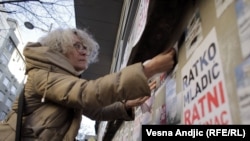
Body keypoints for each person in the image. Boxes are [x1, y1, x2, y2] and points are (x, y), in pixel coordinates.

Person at [0, 28, 176, 140]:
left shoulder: (63, 79)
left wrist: (127, 105)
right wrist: (147, 69)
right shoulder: (43, 75)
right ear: (60, 48)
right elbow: (87, 93)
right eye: (78, 46)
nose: (84, 51)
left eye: (86, 47)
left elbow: (97, 111)